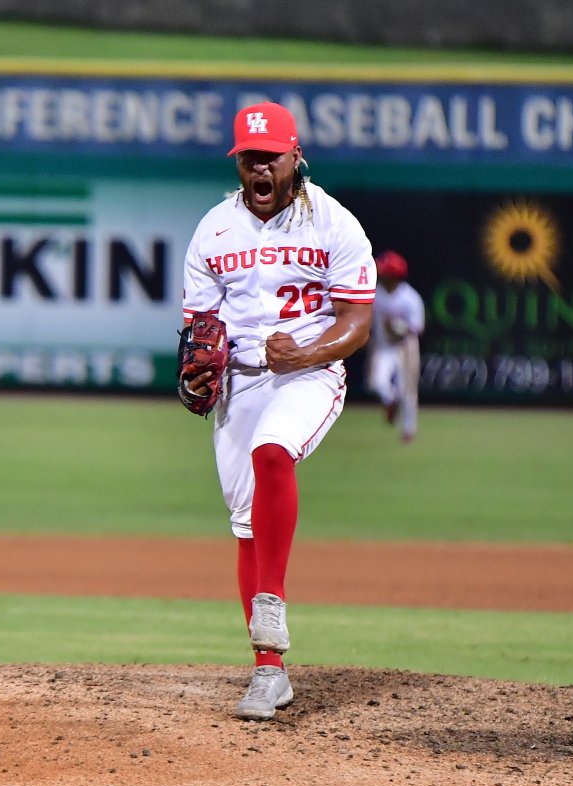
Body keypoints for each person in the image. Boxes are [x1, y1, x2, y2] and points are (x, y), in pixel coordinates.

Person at [180, 101, 376, 720]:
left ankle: (272, 606)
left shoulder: (334, 224)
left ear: (296, 157)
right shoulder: (213, 230)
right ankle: (270, 672)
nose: (260, 169)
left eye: (271, 157)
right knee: (245, 526)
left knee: (273, 452)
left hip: (311, 375)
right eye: (249, 158)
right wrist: (197, 363)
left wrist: (309, 352)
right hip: (241, 386)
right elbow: (199, 325)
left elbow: (358, 321)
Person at [366, 250, 426, 443]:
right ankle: (391, 399)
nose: (381, 275)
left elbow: (417, 328)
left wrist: (398, 329)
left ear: (395, 276)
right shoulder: (376, 293)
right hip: (383, 347)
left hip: (405, 347)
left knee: (408, 388)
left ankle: (409, 430)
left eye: (385, 273)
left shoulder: (410, 298)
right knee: (376, 383)